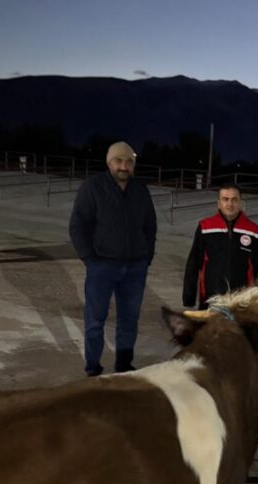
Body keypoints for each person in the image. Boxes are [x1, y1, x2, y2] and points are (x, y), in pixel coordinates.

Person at [69, 141, 157, 376]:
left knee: (129, 320)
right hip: (102, 267)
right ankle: (93, 367)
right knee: (95, 320)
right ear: (109, 163)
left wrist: (146, 256)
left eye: (129, 162)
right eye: (119, 161)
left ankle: (124, 365)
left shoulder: (140, 190)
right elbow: (78, 225)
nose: (124, 166)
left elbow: (150, 225)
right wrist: (89, 258)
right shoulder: (93, 187)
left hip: (135, 268)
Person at [182, 183, 258, 309]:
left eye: (234, 199)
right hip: (211, 299)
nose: (230, 204)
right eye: (225, 199)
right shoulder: (205, 227)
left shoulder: (253, 230)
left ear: (240, 203)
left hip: (241, 300)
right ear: (218, 203)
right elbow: (193, 264)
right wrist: (189, 297)